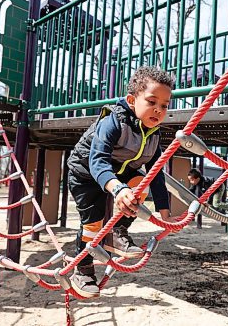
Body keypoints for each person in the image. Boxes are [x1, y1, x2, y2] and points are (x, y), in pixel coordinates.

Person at [67, 66, 175, 298]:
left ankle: (117, 232)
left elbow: (155, 173)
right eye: (151, 101)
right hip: (85, 173)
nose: (158, 110)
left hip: (119, 175)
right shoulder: (113, 121)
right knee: (92, 225)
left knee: (140, 184)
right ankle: (82, 271)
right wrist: (117, 188)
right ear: (132, 100)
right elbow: (98, 162)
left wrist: (164, 211)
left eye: (164, 106)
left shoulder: (153, 134)